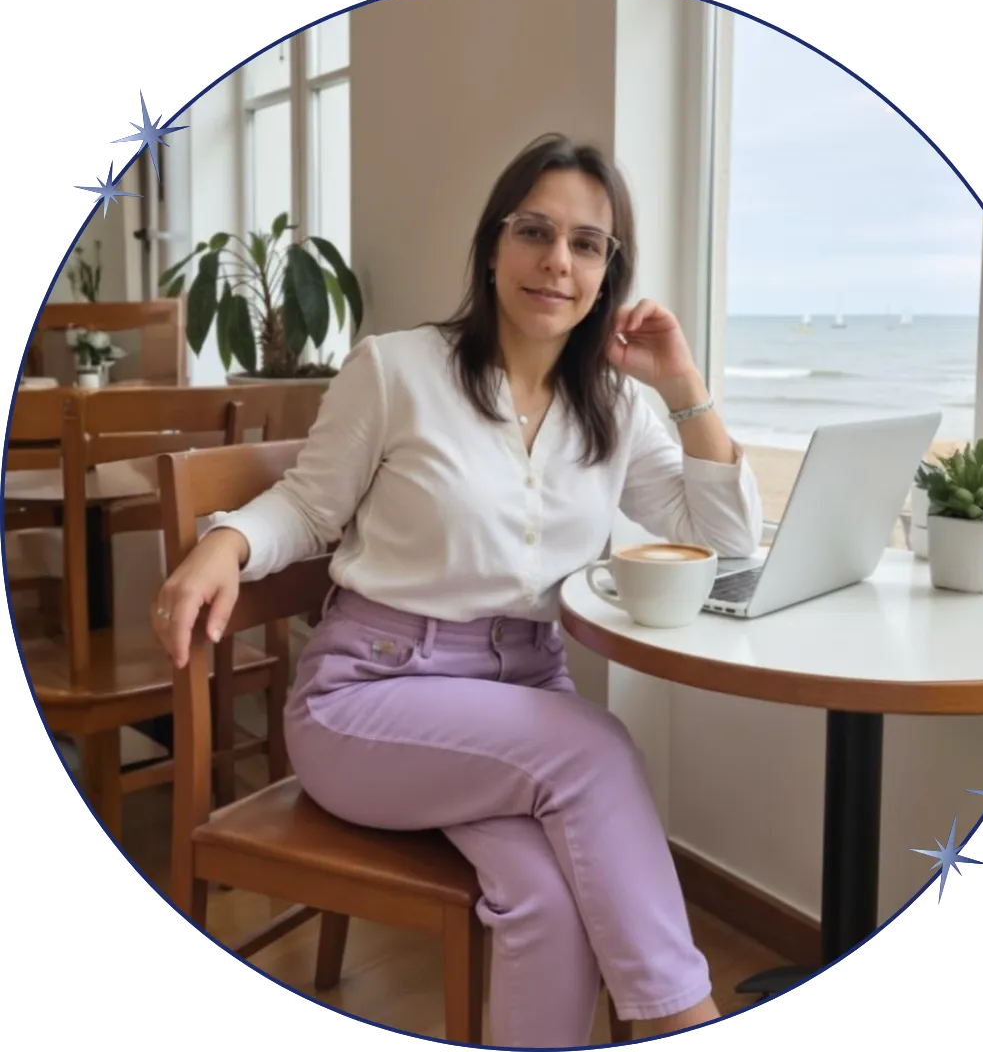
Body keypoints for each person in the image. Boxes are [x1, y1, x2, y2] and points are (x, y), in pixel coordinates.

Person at [152, 133, 764, 1047]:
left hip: (518, 706)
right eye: (535, 231)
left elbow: (725, 544)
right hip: (369, 697)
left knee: (549, 904)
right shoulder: (396, 370)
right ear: (493, 245)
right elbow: (309, 507)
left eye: (587, 244)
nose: (558, 261)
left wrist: (683, 384)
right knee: (594, 751)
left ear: (608, 272)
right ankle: (681, 1013)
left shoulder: (616, 406)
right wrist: (227, 544)